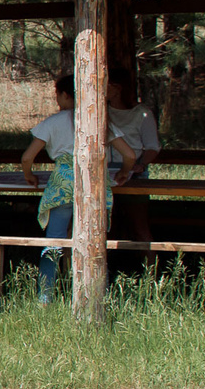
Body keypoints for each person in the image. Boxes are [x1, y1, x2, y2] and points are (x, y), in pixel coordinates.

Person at [22, 74, 137, 301]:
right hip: (94, 183)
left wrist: (30, 176)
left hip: (63, 185)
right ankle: (93, 295)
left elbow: (27, 158)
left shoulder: (53, 122)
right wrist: (124, 172)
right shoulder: (99, 121)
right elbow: (130, 154)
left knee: (54, 241)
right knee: (94, 242)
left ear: (65, 95)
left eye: (58, 96)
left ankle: (45, 298)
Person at [107, 67, 159, 246]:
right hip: (105, 173)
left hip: (134, 173)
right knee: (104, 227)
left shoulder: (141, 113)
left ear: (117, 87)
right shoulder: (99, 112)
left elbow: (152, 147)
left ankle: (150, 272)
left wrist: (140, 165)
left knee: (139, 227)